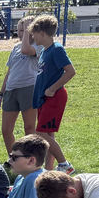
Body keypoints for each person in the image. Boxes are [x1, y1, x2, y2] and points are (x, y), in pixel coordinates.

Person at [29, 14, 75, 173]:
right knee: (48, 134)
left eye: (34, 33)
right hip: (44, 98)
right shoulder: (44, 51)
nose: (32, 36)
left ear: (42, 33)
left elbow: (70, 71)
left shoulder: (56, 49)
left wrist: (53, 88)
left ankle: (64, 164)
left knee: (40, 133)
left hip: (54, 97)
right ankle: (49, 171)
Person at [0, 17, 39, 157]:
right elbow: (9, 72)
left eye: (24, 30)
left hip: (29, 88)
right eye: (20, 30)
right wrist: (1, 93)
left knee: (29, 127)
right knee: (6, 129)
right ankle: (14, 159)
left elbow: (26, 50)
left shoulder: (39, 46)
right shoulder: (15, 48)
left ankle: (30, 159)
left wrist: (28, 31)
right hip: (11, 90)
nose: (21, 33)